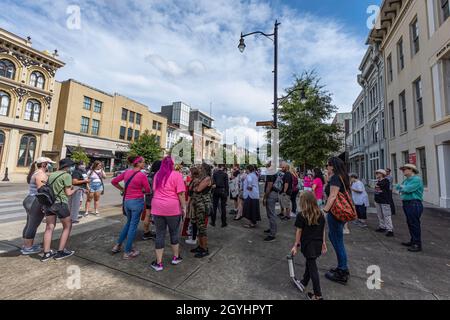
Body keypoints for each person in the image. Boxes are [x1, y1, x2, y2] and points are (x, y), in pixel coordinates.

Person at [150, 156, 187, 270]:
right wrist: (184, 207)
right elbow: (180, 193)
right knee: (174, 233)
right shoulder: (177, 175)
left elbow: (154, 190)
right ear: (172, 164)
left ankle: (159, 263)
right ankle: (176, 257)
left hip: (157, 207)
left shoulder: (157, 175)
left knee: (160, 234)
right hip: (172, 208)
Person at [111, 156, 150, 259]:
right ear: (138, 163)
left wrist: (122, 189)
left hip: (127, 202)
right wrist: (141, 190)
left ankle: (118, 245)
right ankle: (127, 251)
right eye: (143, 162)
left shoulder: (126, 172)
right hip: (137, 202)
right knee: (133, 227)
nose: (144, 164)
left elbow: (114, 181)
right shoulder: (142, 175)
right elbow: (148, 190)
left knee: (128, 224)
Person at [291, 191, 327, 300]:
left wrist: (295, 246)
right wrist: (324, 243)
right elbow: (323, 230)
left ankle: (318, 295)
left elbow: (299, 231)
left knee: (313, 269)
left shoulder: (301, 215)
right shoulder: (320, 214)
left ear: (304, 202)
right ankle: (303, 282)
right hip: (317, 244)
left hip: (308, 245)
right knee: (310, 263)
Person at [41, 158, 78, 262]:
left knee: (49, 227)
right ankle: (60, 251)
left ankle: (46, 253)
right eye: (71, 166)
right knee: (67, 226)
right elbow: (68, 193)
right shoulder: (67, 176)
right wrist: (75, 189)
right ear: (67, 166)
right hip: (60, 203)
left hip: (49, 204)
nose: (72, 168)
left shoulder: (51, 174)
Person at [322, 157, 351, 284]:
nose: (326, 167)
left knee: (337, 240)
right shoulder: (342, 176)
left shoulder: (335, 177)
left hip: (335, 212)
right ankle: (341, 267)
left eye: (327, 165)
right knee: (334, 237)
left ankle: (342, 271)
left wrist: (325, 210)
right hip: (339, 212)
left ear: (332, 166)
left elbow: (333, 195)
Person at [21, 157, 55, 255]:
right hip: (36, 201)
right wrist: (46, 204)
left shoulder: (35, 172)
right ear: (44, 164)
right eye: (49, 163)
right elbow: (42, 191)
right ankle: (28, 248)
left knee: (29, 223)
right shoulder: (41, 174)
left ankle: (26, 244)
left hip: (30, 199)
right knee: (33, 225)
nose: (50, 165)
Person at [395, 164, 424, 252]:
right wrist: (402, 187)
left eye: (405, 169)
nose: (403, 171)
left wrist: (402, 187)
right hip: (407, 203)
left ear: (411, 170)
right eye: (403, 169)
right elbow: (399, 188)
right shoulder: (406, 180)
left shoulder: (416, 179)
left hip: (414, 203)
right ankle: (413, 241)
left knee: (414, 224)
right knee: (410, 223)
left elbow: (406, 189)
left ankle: (417, 244)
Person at [190, 163, 212, 258]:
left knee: (202, 227)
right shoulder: (200, 178)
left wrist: (195, 187)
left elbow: (198, 189)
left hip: (203, 205)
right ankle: (200, 246)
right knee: (199, 226)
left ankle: (205, 249)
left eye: (200, 168)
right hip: (198, 205)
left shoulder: (207, 178)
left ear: (204, 169)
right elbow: (191, 188)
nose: (199, 169)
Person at [142, 160, 161, 241]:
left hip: (149, 197)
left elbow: (144, 188)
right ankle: (158, 233)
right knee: (158, 217)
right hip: (157, 198)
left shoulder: (148, 175)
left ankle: (146, 232)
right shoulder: (160, 176)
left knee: (147, 215)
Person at [374, 169, 394, 237]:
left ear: (382, 174)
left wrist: (377, 185)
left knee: (387, 215)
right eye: (376, 173)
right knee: (380, 215)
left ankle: (390, 230)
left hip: (384, 201)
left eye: (378, 173)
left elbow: (379, 187)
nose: (376, 174)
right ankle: (382, 226)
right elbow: (377, 190)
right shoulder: (378, 181)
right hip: (378, 200)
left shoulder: (385, 181)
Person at [262, 162, 278, 242]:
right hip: (274, 194)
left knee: (271, 214)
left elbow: (269, 186)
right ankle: (271, 229)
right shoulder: (274, 173)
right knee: (270, 213)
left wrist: (265, 197)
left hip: (271, 195)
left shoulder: (270, 174)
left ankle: (272, 234)